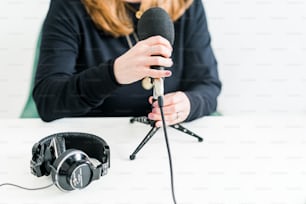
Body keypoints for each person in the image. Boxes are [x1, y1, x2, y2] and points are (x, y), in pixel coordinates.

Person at [33, 0, 221, 127]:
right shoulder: (70, 5)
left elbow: (208, 84)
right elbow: (48, 99)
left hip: (166, 140)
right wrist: (113, 74)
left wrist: (189, 104)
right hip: (95, 143)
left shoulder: (187, 4)